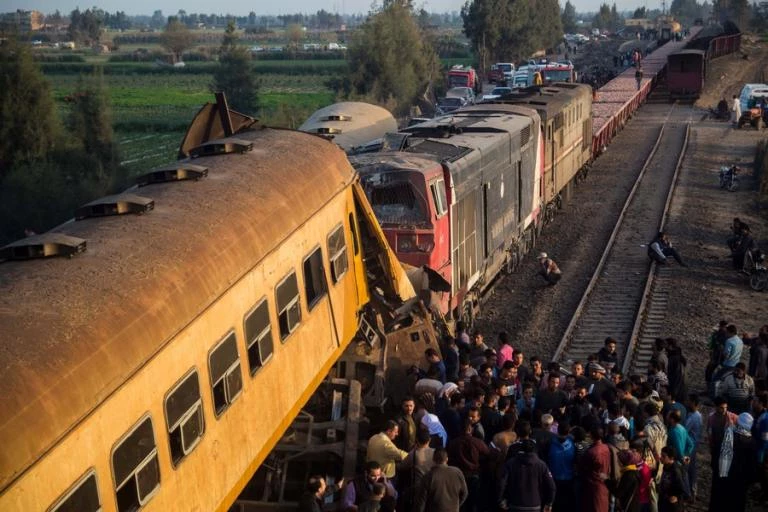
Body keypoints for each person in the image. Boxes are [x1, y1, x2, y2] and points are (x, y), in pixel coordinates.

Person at [498, 438, 556, 512]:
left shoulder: (511, 463)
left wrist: (501, 500)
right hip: (535, 505)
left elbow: (501, 483)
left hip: (515, 504)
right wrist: (549, 503)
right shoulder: (541, 465)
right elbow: (552, 486)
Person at [580, 425, 611, 512]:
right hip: (604, 483)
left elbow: (583, 468)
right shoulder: (607, 448)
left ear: (592, 436)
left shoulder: (591, 452)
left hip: (594, 486)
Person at [657, 446, 687, 512]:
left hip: (672, 506)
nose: (660, 458)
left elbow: (681, 488)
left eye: (663, 456)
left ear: (671, 458)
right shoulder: (666, 466)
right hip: (664, 501)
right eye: (661, 455)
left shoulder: (675, 470)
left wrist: (674, 496)